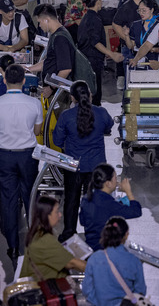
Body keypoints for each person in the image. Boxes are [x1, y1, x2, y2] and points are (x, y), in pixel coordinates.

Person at [0, 63, 42, 262]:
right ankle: (34, 242)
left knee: (9, 201)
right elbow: (36, 132)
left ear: (5, 80)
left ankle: (12, 246)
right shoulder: (34, 103)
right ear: (24, 81)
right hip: (28, 156)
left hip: (5, 156)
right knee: (30, 197)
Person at [52, 80, 114, 242]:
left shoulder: (66, 116)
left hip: (73, 166)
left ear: (72, 97)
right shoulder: (101, 113)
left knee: (71, 199)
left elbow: (57, 141)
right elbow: (109, 127)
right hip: (96, 167)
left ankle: (68, 232)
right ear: (90, 95)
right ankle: (93, 233)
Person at [82, 216, 146, 306]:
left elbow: (86, 289)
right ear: (126, 235)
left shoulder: (94, 258)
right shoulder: (134, 261)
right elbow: (140, 291)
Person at [77, 162, 142, 251]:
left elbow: (82, 221)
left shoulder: (86, 198)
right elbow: (136, 211)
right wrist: (128, 191)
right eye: (115, 178)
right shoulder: (108, 203)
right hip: (106, 248)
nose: (117, 180)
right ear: (108, 183)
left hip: (90, 245)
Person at [19, 195, 86, 278]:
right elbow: (71, 263)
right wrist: (99, 269)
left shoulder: (37, 234)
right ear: (47, 215)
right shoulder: (44, 240)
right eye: (56, 211)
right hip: (44, 287)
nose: (60, 215)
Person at [77, 0, 123, 105]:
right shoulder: (94, 19)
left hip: (87, 60)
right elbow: (95, 42)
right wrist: (112, 54)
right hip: (92, 61)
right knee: (95, 94)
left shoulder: (87, 17)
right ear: (98, 2)